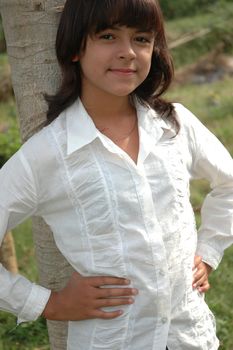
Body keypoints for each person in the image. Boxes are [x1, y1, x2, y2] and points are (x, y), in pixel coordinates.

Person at [0, 0, 232, 349]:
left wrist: (209, 250)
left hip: (190, 336)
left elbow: (229, 184)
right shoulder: (49, 154)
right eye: (108, 36)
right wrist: (49, 303)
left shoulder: (176, 125)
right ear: (75, 48)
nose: (127, 52)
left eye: (141, 39)